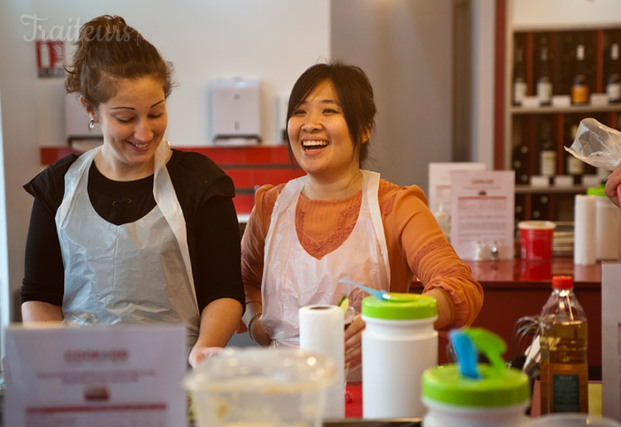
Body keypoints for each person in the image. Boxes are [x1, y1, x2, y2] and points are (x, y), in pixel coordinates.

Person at [20, 15, 244, 368]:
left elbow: (225, 291)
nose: (144, 133)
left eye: (155, 113)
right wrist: (55, 363)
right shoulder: (58, 187)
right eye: (126, 118)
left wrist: (204, 349)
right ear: (90, 108)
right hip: (83, 379)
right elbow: (39, 295)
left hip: (177, 376)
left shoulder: (198, 182)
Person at [240, 61, 484, 371]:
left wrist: (388, 319)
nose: (310, 123)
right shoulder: (270, 206)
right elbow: (243, 280)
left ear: (364, 128)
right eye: (299, 111)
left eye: (328, 111)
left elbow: (460, 287)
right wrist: (256, 325)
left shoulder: (397, 206)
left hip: (376, 394)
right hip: (284, 392)